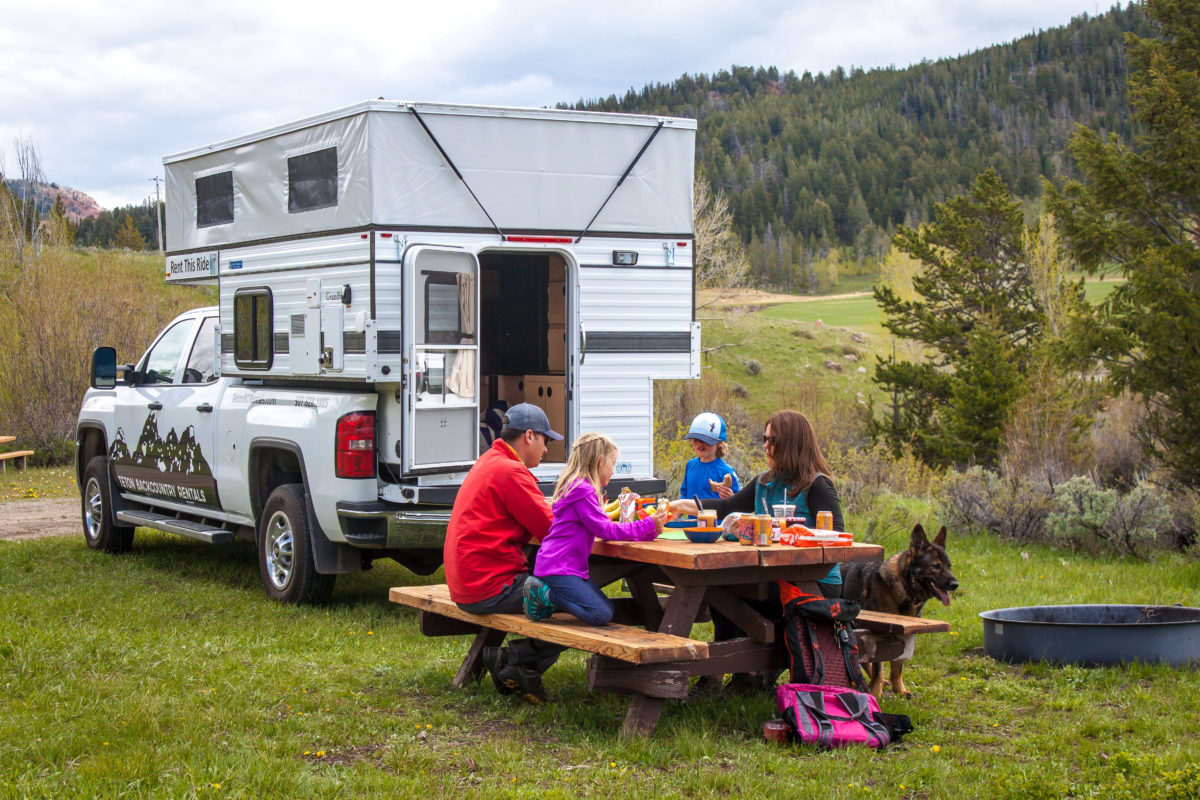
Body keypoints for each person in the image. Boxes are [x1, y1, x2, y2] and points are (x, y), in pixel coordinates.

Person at [672, 409, 845, 692]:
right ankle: (729, 670)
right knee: (719, 586)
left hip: (814, 583)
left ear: (792, 443)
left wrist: (786, 530)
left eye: (771, 440)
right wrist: (678, 506)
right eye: (764, 439)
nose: (765, 446)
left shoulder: (818, 485)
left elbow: (836, 536)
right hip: (772, 576)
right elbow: (726, 508)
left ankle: (744, 671)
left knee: (726, 589)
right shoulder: (765, 482)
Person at [443, 402, 565, 703]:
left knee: (561, 589)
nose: (546, 450)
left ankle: (513, 665)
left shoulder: (490, 462)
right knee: (579, 600)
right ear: (529, 436)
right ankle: (516, 661)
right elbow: (552, 529)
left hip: (467, 582)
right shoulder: (511, 472)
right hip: (490, 585)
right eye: (545, 441)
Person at [526, 433, 667, 625]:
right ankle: (547, 595)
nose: (613, 471)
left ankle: (547, 598)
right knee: (600, 614)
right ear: (600, 461)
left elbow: (604, 527)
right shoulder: (583, 491)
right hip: (559, 568)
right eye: (613, 464)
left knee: (606, 609)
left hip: (563, 566)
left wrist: (648, 532)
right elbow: (606, 530)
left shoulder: (576, 487)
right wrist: (647, 524)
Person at [678, 412, 741, 502]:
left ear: (719, 443)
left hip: (716, 516)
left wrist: (731, 498)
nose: (700, 444)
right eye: (696, 440)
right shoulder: (690, 465)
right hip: (693, 516)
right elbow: (684, 495)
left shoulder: (727, 471)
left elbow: (740, 503)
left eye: (706, 441)